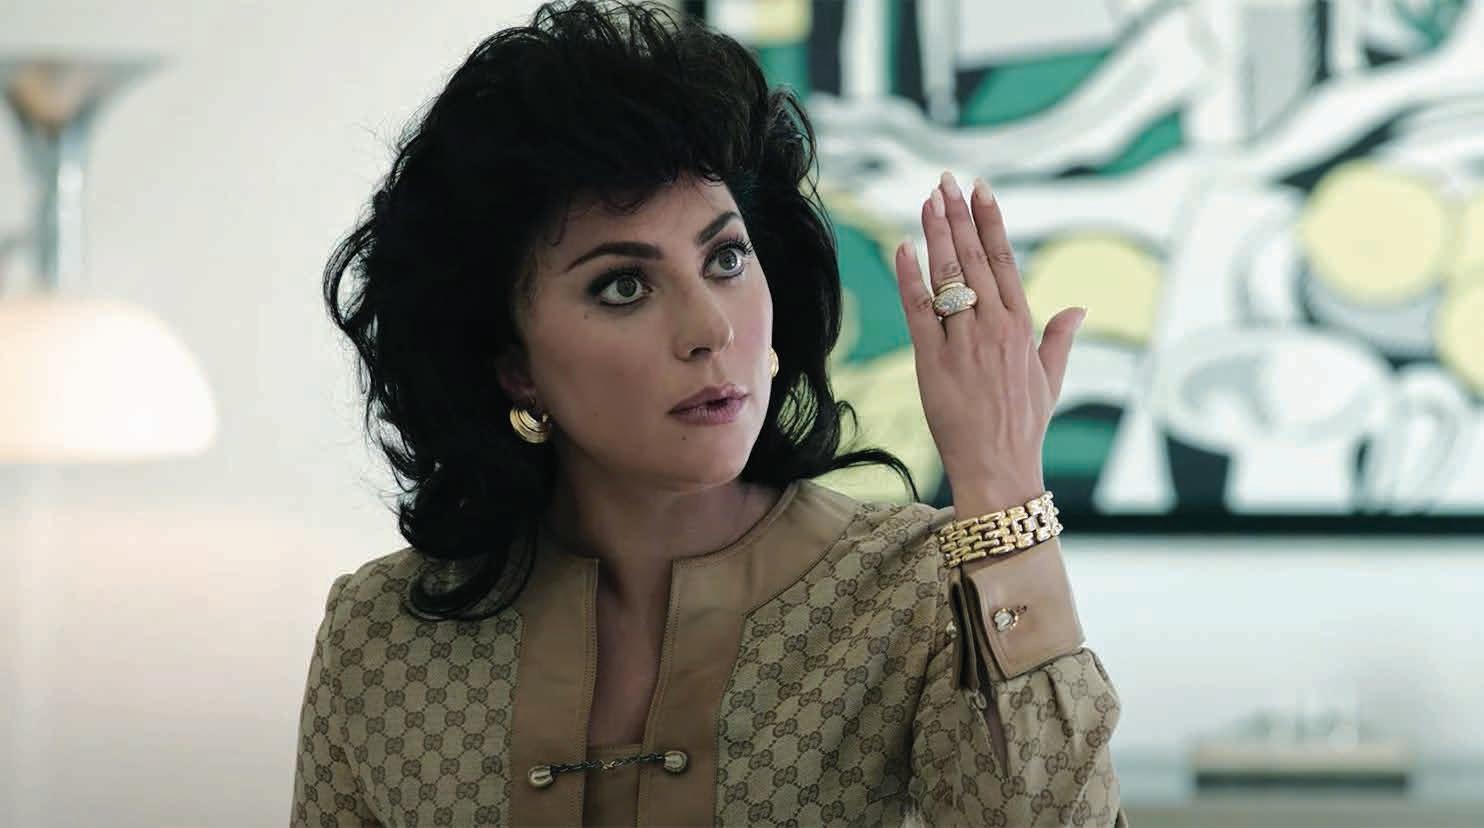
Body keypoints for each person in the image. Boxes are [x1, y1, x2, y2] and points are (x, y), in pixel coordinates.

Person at [290, 1, 1125, 825]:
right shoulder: (380, 641)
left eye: (725, 258)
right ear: (513, 366)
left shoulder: (917, 597)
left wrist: (1002, 486)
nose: (711, 330)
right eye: (624, 285)